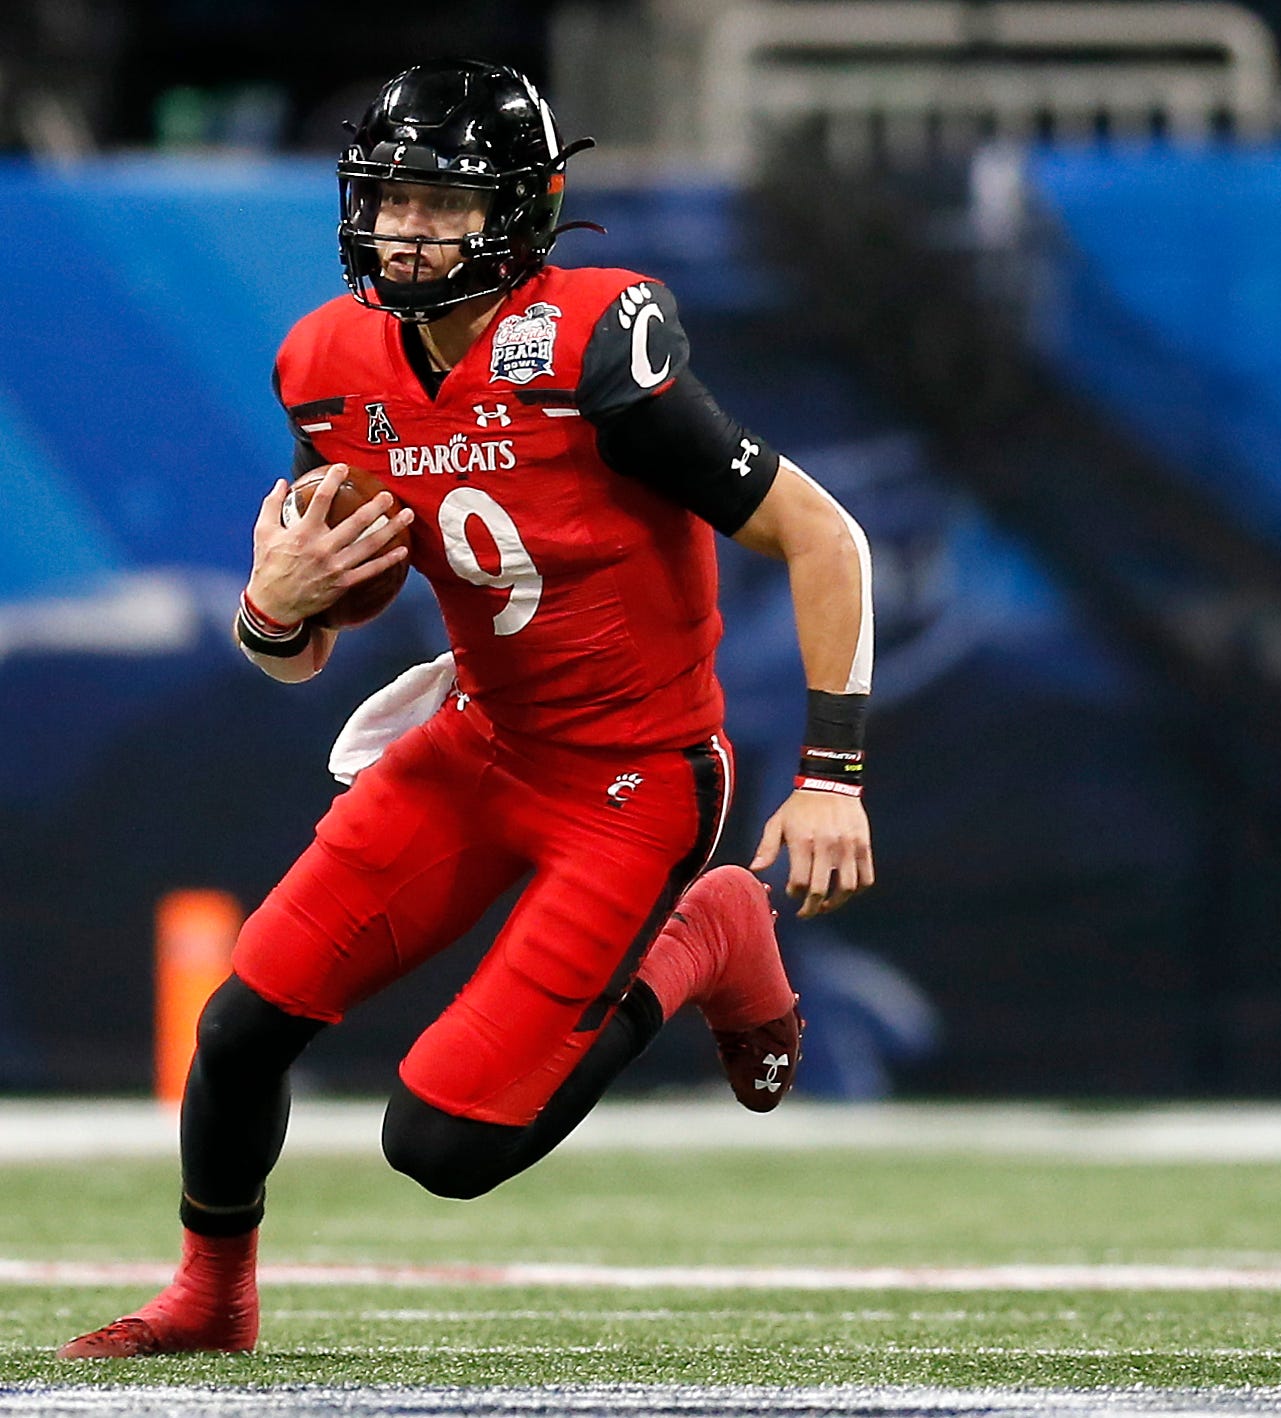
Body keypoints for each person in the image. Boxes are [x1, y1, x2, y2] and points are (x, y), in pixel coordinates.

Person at [59, 59, 875, 1360]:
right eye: (390, 197)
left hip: (633, 779)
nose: (408, 228)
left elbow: (822, 537)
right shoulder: (326, 364)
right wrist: (273, 607)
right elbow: (301, 649)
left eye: (443, 201)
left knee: (439, 1144)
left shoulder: (595, 342)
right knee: (241, 1023)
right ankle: (213, 1295)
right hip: (483, 746)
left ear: (524, 209)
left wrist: (830, 771)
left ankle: (711, 935)